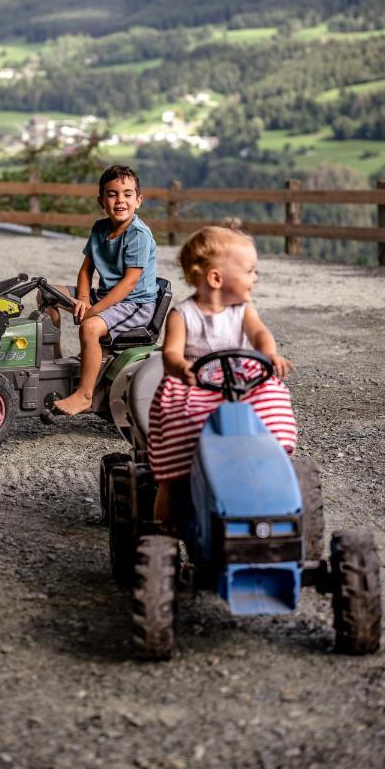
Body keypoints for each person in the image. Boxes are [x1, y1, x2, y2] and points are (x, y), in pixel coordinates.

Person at [147, 225, 297, 525]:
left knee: (272, 393)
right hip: (196, 385)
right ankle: (165, 518)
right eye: (250, 271)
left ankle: (274, 454)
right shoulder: (182, 314)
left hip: (241, 382)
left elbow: (260, 334)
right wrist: (181, 367)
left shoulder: (243, 310)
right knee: (179, 431)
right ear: (216, 278)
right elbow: (171, 353)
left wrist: (269, 353)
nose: (255, 278)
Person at [46, 164, 157, 416]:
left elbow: (129, 283)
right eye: (112, 194)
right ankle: (56, 358)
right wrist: (83, 299)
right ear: (101, 200)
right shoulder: (99, 228)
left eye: (128, 194)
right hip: (106, 296)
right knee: (48, 293)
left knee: (90, 327)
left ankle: (85, 395)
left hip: (134, 304)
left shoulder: (138, 234)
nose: (120, 200)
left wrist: (93, 311)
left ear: (138, 201)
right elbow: (86, 271)